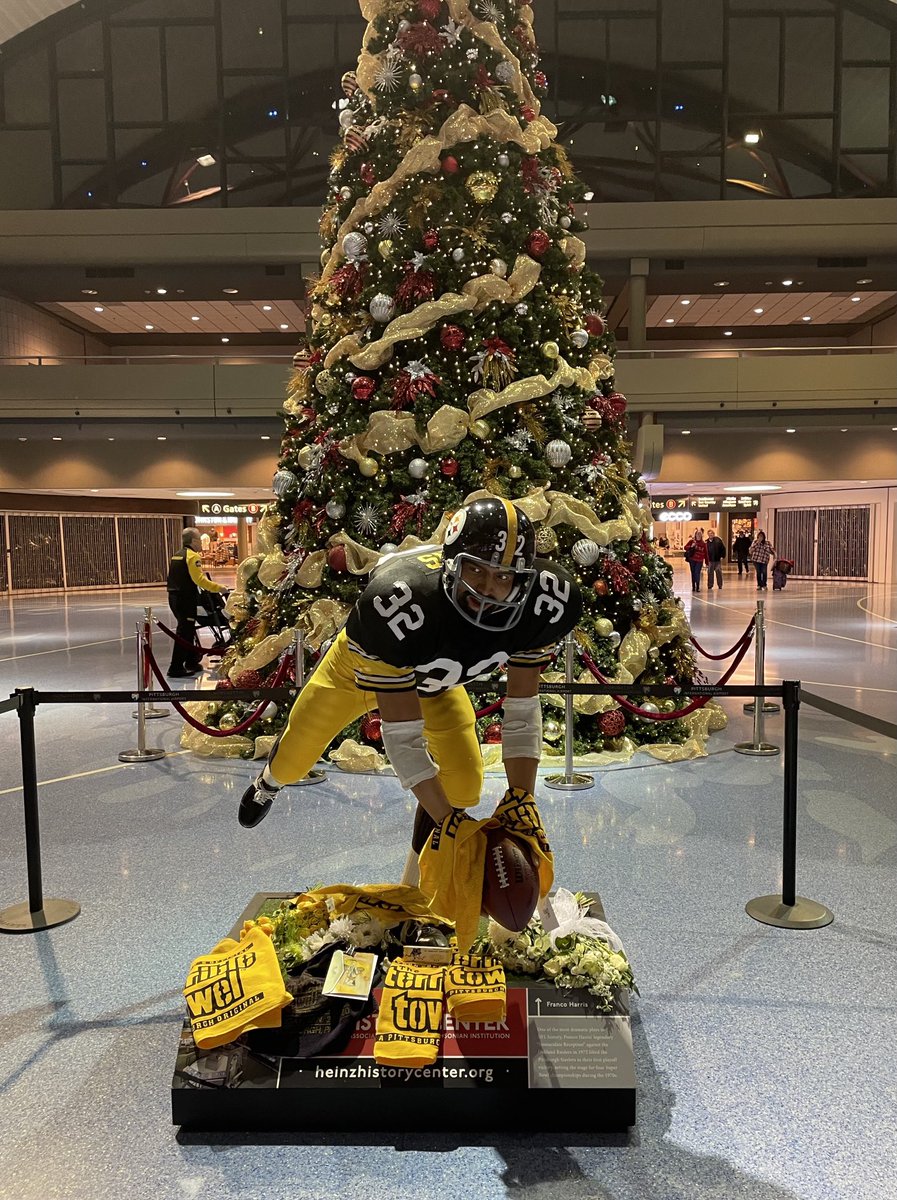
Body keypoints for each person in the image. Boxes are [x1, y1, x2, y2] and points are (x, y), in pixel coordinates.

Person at [238, 498, 582, 871]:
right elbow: (403, 740)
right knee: (295, 758)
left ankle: (415, 878)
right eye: (477, 572)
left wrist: (521, 800)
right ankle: (267, 783)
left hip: (435, 685)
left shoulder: (542, 604)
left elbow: (521, 715)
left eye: (503, 576)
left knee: (465, 783)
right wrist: (452, 825)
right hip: (355, 674)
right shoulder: (405, 602)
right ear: (452, 566)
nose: (488, 589)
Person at [166, 526, 228, 677]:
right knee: (184, 632)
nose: (201, 543)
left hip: (174, 598)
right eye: (199, 539)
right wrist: (220, 588)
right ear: (194, 541)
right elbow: (199, 580)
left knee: (187, 630)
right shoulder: (193, 557)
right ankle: (175, 667)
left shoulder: (177, 555)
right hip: (186, 599)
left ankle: (191, 661)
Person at [704, 527, 726, 591]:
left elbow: (723, 549)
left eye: (712, 534)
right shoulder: (706, 542)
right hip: (710, 560)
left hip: (717, 560)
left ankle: (720, 585)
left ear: (713, 534)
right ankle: (710, 585)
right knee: (710, 573)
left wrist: (722, 556)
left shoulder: (718, 540)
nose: (710, 535)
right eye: (709, 534)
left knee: (718, 572)